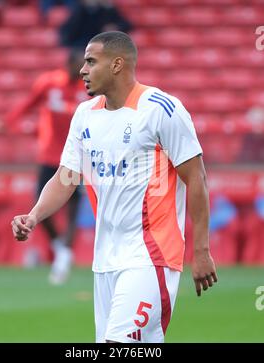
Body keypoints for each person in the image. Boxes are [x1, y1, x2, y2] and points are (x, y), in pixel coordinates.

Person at [11, 31, 218, 343]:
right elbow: (66, 178)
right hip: (105, 260)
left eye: (91, 61)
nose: (82, 70)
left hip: (151, 256)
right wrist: (34, 215)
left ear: (118, 65)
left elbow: (197, 179)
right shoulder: (84, 115)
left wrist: (201, 250)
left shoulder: (161, 109)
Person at [6, 48, 88, 285]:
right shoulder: (49, 83)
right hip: (50, 155)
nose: (83, 70)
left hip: (77, 158)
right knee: (39, 203)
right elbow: (28, 103)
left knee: (73, 208)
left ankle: (64, 257)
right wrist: (10, 121)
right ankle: (59, 246)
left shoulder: (88, 90)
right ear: (69, 64)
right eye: (80, 64)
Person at [59, 0, 132, 48]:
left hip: (102, 45)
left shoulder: (107, 9)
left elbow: (126, 25)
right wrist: (89, 9)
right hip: (81, 46)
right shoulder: (79, 10)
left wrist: (115, 27)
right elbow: (69, 31)